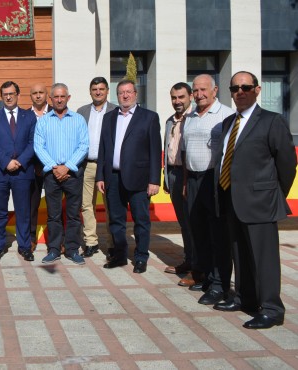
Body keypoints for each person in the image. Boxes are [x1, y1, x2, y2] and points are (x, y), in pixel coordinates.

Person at [214, 71, 296, 329]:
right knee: (240, 254)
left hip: (260, 202)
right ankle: (245, 297)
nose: (240, 92)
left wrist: (273, 194)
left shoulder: (272, 121)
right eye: (235, 88)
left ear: (257, 90)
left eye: (246, 87)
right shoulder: (229, 123)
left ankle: (272, 308)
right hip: (233, 201)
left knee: (264, 259)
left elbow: (287, 164)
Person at [95, 80, 161, 274]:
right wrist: (100, 175)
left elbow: (155, 151)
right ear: (117, 95)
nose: (125, 95)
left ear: (135, 94)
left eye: (128, 92)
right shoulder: (109, 118)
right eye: (121, 92)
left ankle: (141, 257)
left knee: (141, 220)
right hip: (113, 178)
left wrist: (154, 180)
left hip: (139, 179)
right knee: (116, 220)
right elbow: (103, 149)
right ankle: (120, 256)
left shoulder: (149, 117)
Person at [182, 74, 234, 304]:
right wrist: (185, 181)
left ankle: (219, 284)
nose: (199, 94)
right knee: (199, 232)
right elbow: (186, 151)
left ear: (215, 91)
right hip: (193, 180)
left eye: (204, 89)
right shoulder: (191, 116)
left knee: (218, 235)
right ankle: (205, 275)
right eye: (196, 90)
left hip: (214, 180)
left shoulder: (225, 116)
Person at [35, 84, 89, 264]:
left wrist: (67, 166)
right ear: (50, 99)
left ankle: (72, 249)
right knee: (53, 214)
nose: (59, 100)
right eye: (55, 97)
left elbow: (84, 146)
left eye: (62, 96)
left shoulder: (78, 119)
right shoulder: (43, 121)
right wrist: (54, 167)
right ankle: (54, 249)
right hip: (51, 174)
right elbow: (38, 147)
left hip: (72, 174)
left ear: (68, 97)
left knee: (74, 214)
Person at [0, 81, 37, 262]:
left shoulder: (29, 116)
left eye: (11, 93)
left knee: (23, 212)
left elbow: (33, 143)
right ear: (1, 97)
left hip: (23, 172)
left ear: (18, 94)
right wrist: (6, 162)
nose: (8, 97)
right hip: (0, 171)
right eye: (5, 94)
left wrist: (20, 161)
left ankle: (25, 246)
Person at [76, 77, 116, 257]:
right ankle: (90, 242)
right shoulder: (82, 111)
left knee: (112, 206)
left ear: (107, 90)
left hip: (109, 166)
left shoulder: (116, 110)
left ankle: (113, 244)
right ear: (90, 91)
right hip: (88, 165)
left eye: (101, 89)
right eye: (94, 89)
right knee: (86, 205)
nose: (98, 92)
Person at [162, 83, 195, 286]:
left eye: (181, 97)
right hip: (174, 174)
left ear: (190, 96)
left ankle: (197, 268)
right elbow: (168, 149)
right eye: (174, 97)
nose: (177, 101)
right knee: (183, 223)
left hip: (189, 175)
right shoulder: (170, 121)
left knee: (194, 224)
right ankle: (188, 260)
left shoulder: (194, 119)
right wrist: (167, 178)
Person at [28, 83, 51, 252]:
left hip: (53, 167)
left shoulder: (56, 112)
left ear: (46, 94)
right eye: (34, 93)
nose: (38, 96)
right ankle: (30, 238)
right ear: (30, 96)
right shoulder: (25, 115)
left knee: (54, 205)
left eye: (41, 92)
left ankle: (56, 239)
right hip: (31, 167)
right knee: (32, 205)